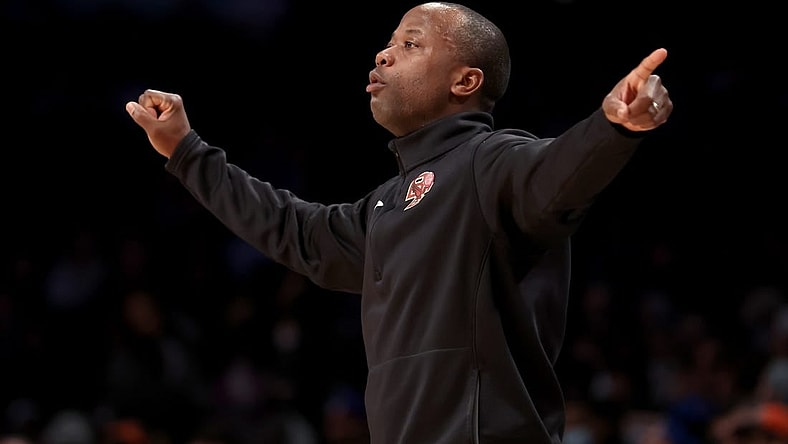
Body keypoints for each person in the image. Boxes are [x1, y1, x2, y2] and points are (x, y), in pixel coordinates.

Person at [124, 2, 673, 443]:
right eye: (389, 42)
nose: (385, 55)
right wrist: (185, 151)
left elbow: (557, 175)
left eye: (411, 43)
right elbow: (294, 230)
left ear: (465, 81)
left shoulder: (492, 159)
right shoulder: (386, 204)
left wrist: (612, 127)